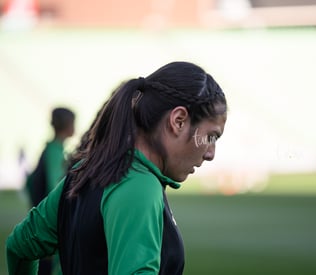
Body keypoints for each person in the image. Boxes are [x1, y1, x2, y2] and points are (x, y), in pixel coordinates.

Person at [7, 61, 227, 275]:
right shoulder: (141, 187)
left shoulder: (84, 173)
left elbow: (19, 245)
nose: (210, 153)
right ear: (178, 121)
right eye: (211, 136)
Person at [24, 107, 75, 275]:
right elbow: (56, 190)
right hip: (48, 229)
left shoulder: (51, 150)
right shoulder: (55, 152)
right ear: (67, 125)